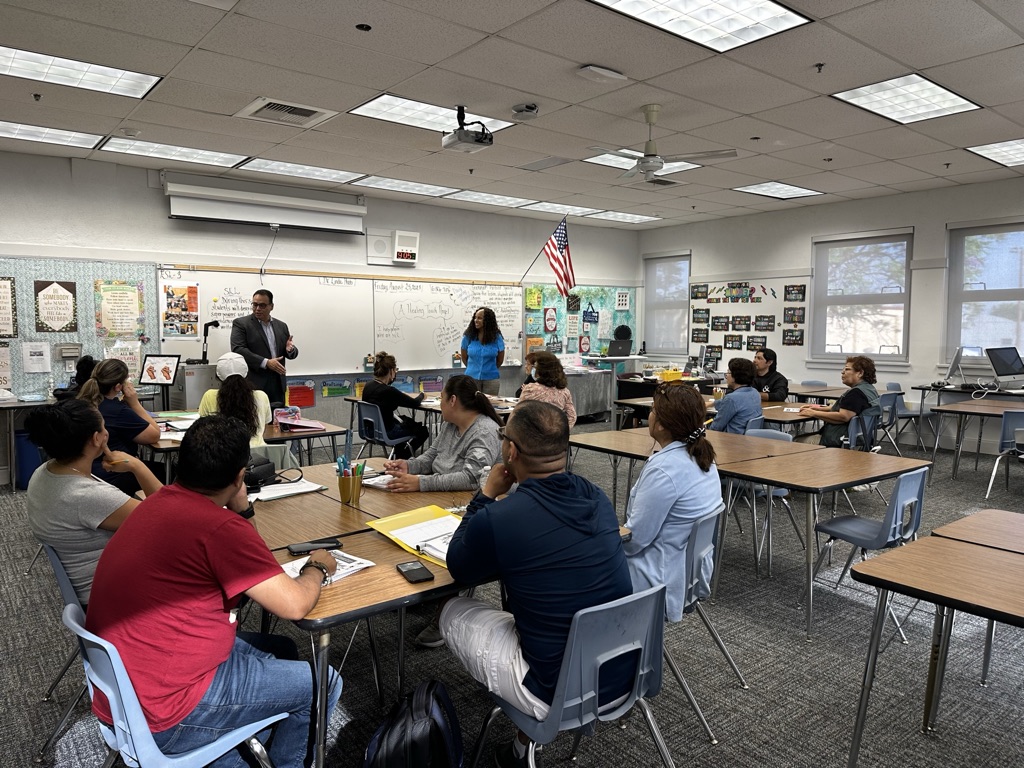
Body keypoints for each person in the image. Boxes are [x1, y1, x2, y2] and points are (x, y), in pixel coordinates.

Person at [85, 415, 342, 768]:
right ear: (239, 477)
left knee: (282, 648)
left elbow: (252, 565)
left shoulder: (154, 502)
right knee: (325, 682)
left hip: (124, 689)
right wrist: (317, 567)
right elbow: (294, 605)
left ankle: (248, 742)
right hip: (165, 714)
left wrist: (242, 511)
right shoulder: (218, 529)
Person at [440, 401, 633, 768]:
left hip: (554, 690)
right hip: (622, 671)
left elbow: (459, 569)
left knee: (451, 611)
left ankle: (522, 720)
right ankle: (520, 742)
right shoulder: (597, 497)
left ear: (511, 451)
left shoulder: (501, 517)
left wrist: (485, 495)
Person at [24, 399, 162, 605]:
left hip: (90, 585)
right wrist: (137, 466)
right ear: (97, 438)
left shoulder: (43, 472)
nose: (106, 432)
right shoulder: (88, 496)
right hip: (112, 597)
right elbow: (167, 518)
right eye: (104, 427)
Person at [623, 382, 722, 621]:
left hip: (654, 575)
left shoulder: (664, 469)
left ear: (660, 424)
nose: (650, 414)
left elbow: (635, 540)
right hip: (687, 572)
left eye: (652, 410)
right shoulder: (704, 458)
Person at [382, 374, 501, 493]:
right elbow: (431, 456)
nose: (440, 403)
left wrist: (421, 483)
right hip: (444, 493)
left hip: (465, 498)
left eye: (441, 398)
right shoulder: (450, 424)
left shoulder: (484, 432)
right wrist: (409, 466)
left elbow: (471, 479)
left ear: (452, 400)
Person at [77, 359, 162, 495]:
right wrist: (134, 403)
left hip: (87, 471)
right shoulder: (118, 410)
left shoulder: (81, 403)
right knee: (170, 470)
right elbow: (154, 435)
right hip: (113, 471)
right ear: (118, 387)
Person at [230, 289, 298, 405]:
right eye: (255, 304)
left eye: (262, 305)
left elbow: (290, 353)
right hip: (255, 384)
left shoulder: (281, 326)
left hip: (277, 384)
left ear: (271, 306)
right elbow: (238, 349)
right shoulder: (241, 324)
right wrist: (266, 362)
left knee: (277, 415)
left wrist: (290, 349)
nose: (257, 308)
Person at [797, 355, 881, 447]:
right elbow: (848, 409)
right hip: (860, 440)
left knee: (795, 441)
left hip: (839, 440)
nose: (842, 372)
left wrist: (813, 413)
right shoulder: (869, 389)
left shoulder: (855, 393)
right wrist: (818, 408)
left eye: (847, 369)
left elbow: (843, 416)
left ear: (860, 373)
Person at [361, 351, 429, 459]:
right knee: (422, 431)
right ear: (391, 371)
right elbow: (415, 402)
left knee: (404, 420)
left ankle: (397, 456)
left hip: (369, 431)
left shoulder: (368, 386)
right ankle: (401, 457)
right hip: (386, 432)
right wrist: (422, 395)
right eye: (395, 370)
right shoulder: (389, 391)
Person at [199, 352, 273, 447]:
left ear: (218, 375)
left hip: (221, 453)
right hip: (258, 454)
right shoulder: (261, 396)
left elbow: (203, 428)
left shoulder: (209, 395)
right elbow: (265, 427)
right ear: (246, 373)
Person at [517, 350, 577, 428]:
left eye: (535, 366)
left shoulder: (530, 389)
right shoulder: (565, 392)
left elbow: (518, 413)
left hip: (533, 431)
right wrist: (562, 431)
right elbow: (572, 416)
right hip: (556, 431)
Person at [709, 357, 762, 434]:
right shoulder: (755, 393)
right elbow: (733, 403)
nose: (726, 376)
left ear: (735, 377)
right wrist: (712, 403)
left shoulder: (731, 399)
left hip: (730, 438)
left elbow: (716, 427)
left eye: (728, 372)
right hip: (748, 438)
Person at [460, 306, 504, 396]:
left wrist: (488, 370)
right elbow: (464, 357)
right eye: (475, 318)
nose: (476, 320)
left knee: (489, 403)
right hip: (471, 378)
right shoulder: (468, 336)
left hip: (491, 379)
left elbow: (500, 360)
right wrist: (473, 368)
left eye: (479, 318)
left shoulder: (497, 337)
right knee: (471, 403)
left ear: (488, 321)